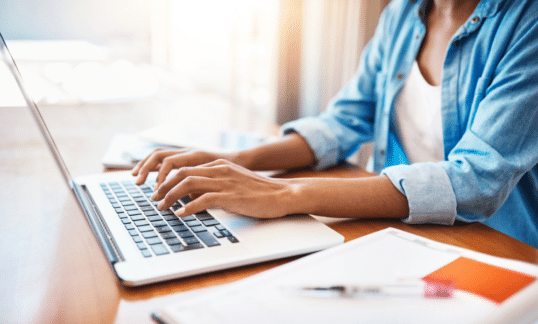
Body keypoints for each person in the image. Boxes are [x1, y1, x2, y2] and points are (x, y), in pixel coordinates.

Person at [132, 0, 538, 248]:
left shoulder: (528, 23)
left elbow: (476, 180)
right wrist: (238, 161)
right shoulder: (401, 14)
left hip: (502, 248)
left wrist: (286, 193)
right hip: (412, 233)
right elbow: (345, 120)